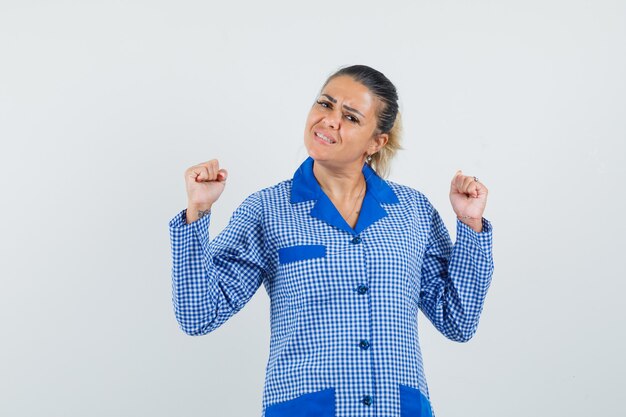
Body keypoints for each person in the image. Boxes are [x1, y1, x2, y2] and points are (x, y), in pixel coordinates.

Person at [168, 64, 494, 417]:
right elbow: (198, 315)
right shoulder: (267, 210)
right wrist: (198, 212)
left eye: (351, 117)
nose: (330, 120)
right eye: (325, 104)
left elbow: (457, 321)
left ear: (376, 142)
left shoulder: (412, 211)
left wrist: (470, 222)